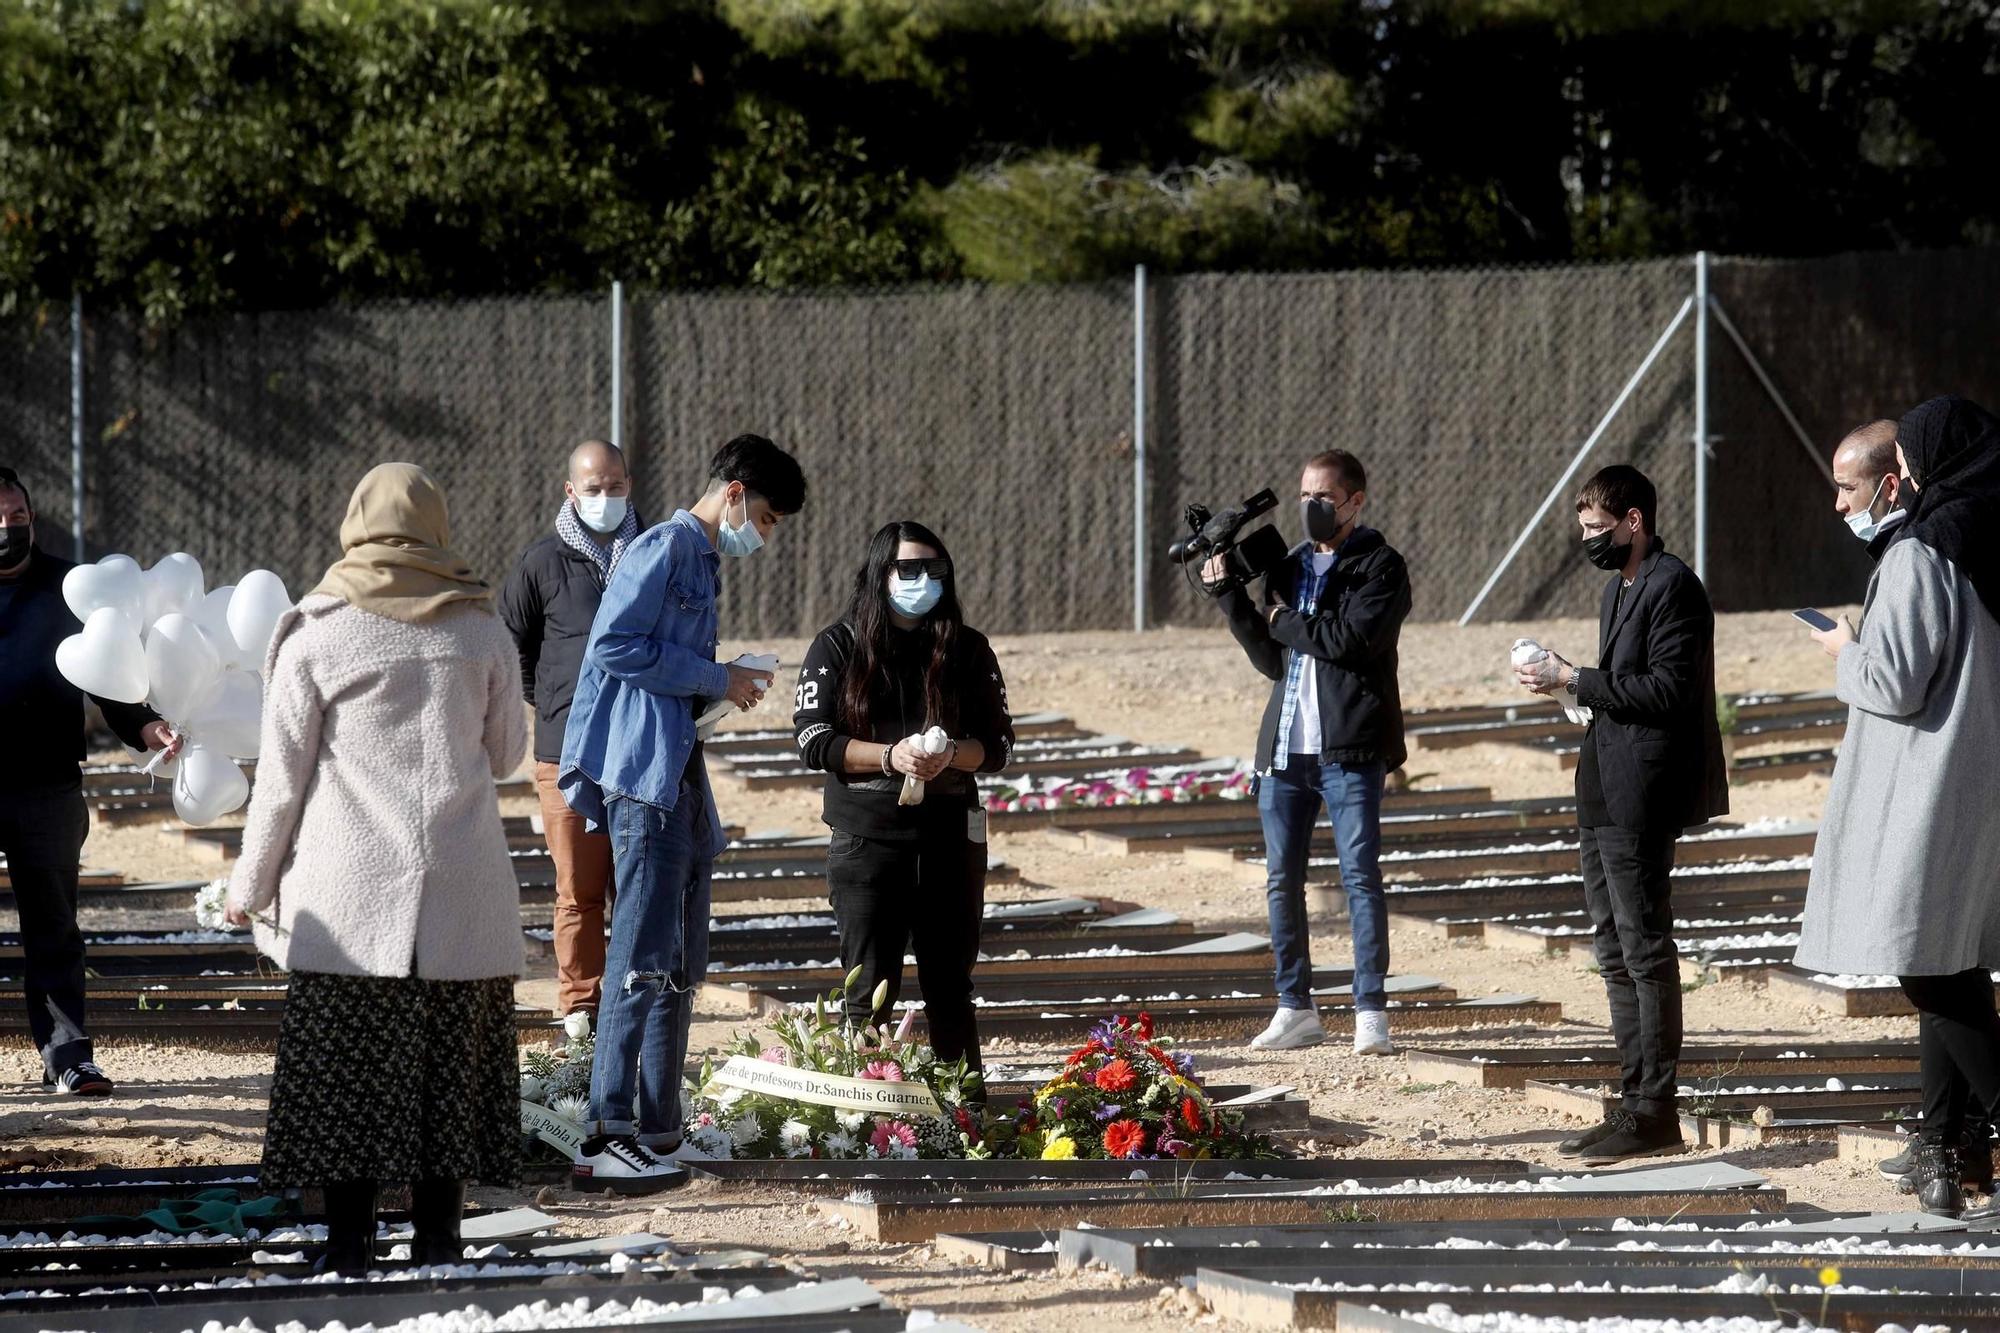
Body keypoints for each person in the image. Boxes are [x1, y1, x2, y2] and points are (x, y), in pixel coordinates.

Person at [224, 462, 527, 1275]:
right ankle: (440, 1241)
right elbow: (506, 757)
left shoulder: (316, 631)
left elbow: (281, 784)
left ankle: (350, 1247)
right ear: (436, 524)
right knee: (447, 1083)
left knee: (346, 1085)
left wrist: (247, 887)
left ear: (356, 521)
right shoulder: (481, 629)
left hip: (351, 901)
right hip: (462, 893)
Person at [560, 433, 805, 1193]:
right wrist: (714, 674)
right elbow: (613, 647)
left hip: (680, 771)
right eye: (763, 517)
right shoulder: (663, 548)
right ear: (733, 493)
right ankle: (607, 1131)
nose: (762, 535)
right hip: (644, 777)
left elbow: (660, 670)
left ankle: (659, 1130)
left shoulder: (702, 561)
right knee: (637, 955)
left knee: (677, 964)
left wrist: (720, 688)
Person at [1794, 395, 2000, 1217]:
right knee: (1952, 961)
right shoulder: (1986, 540)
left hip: (1927, 783)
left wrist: (1846, 648)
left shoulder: (1922, 552)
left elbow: (1894, 680)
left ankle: (1968, 1137)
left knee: (1927, 966)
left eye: (1902, 468)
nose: (1897, 483)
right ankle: (1946, 1152)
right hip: (1974, 778)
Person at [1517, 463, 1726, 1166]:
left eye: (1599, 529)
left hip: (1642, 793)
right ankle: (1633, 1098)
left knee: (1644, 948)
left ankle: (1654, 1108)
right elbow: (1619, 687)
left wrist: (1577, 677)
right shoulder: (1620, 588)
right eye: (1584, 531)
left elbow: (1666, 688)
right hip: (1603, 785)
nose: (1591, 542)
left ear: (1635, 520)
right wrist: (1568, 683)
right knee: (1612, 950)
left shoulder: (1674, 587)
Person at [791, 521, 1015, 1070]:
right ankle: (866, 1122)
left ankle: (964, 1124)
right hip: (868, 838)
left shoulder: (967, 648)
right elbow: (812, 739)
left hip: (949, 838)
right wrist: (891, 756)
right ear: (878, 574)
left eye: (934, 570)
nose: (923, 581)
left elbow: (998, 743)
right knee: (868, 992)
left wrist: (950, 755)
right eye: (908, 569)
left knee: (950, 989)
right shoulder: (837, 646)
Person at [1209, 449, 1411, 1055]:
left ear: (1355, 501)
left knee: (1359, 877)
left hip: (1349, 750)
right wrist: (1231, 600)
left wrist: (1280, 618)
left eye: (1323, 497)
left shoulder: (1381, 567)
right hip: (1287, 750)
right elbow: (1273, 657)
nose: (1311, 508)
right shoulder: (1291, 566)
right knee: (1280, 881)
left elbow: (1350, 641)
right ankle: (1295, 1006)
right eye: (1304, 496)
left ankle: (1370, 1009)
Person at [0, 465, 178, 1098]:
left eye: (17, 518)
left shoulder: (68, 589)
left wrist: (148, 728)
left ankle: (68, 1055)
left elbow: (113, 676)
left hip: (47, 786)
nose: (7, 528)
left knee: (53, 925)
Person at [500, 439, 641, 1021]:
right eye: (592, 488)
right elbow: (512, 648)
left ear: (629, 485)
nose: (604, 498)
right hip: (567, 754)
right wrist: (556, 703)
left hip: (640, 753)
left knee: (636, 892)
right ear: (570, 491)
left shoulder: (654, 553)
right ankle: (580, 1009)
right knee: (577, 891)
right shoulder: (542, 563)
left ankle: (637, 1006)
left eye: (614, 486)